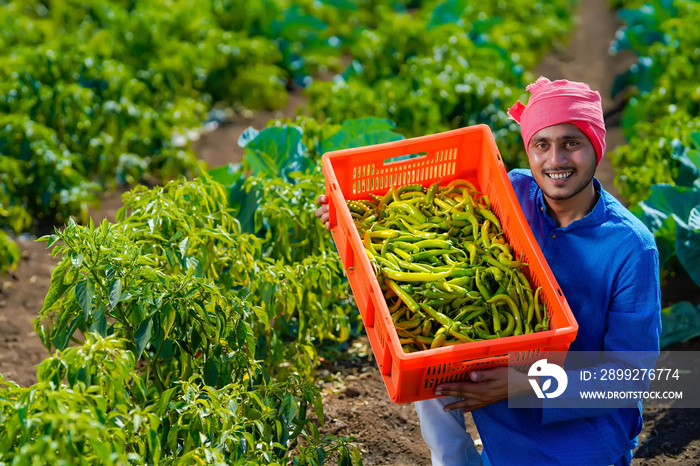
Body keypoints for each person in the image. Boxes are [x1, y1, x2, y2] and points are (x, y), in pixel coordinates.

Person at [315, 77, 661, 466]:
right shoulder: (513, 190)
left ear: (596, 146)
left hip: (582, 442)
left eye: (571, 143)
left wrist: (525, 384)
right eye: (541, 145)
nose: (556, 160)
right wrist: (352, 220)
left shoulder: (631, 246)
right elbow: (428, 214)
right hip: (497, 411)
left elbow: (629, 380)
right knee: (419, 336)